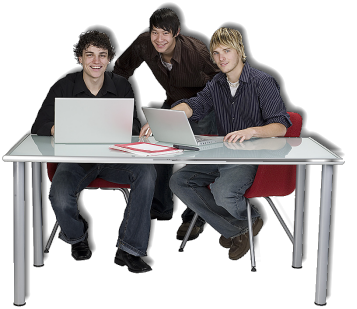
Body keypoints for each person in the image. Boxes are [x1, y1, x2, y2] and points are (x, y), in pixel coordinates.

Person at [31, 30, 156, 273]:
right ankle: (78, 237)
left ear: (109, 58)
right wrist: (57, 128)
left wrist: (133, 129)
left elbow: (133, 126)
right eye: (89, 55)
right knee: (59, 195)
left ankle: (129, 250)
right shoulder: (65, 85)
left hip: (116, 159)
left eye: (102, 55)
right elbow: (39, 125)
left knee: (148, 174)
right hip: (77, 161)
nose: (96, 61)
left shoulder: (122, 85)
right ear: (79, 58)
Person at [168, 27, 292, 261]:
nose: (220, 58)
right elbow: (196, 105)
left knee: (223, 192)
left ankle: (244, 223)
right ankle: (239, 227)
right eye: (215, 53)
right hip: (222, 156)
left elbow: (281, 126)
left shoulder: (262, 82)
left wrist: (252, 131)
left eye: (226, 50)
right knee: (179, 180)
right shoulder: (217, 83)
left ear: (240, 51)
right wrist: (168, 116)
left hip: (253, 158)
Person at [113, 8, 219, 241]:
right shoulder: (144, 43)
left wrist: (196, 108)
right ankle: (160, 206)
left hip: (202, 106)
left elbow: (220, 81)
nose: (159, 39)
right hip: (172, 103)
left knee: (196, 157)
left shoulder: (198, 51)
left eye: (165, 33)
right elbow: (121, 69)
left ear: (177, 33)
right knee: (155, 147)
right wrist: (119, 107)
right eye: (155, 32)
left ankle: (196, 215)